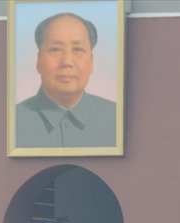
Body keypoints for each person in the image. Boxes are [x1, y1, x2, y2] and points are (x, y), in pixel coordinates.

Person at [16, 13, 116, 148]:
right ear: (39, 61)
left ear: (91, 61)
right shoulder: (13, 121)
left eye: (78, 49)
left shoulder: (115, 118)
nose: (67, 62)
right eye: (55, 49)